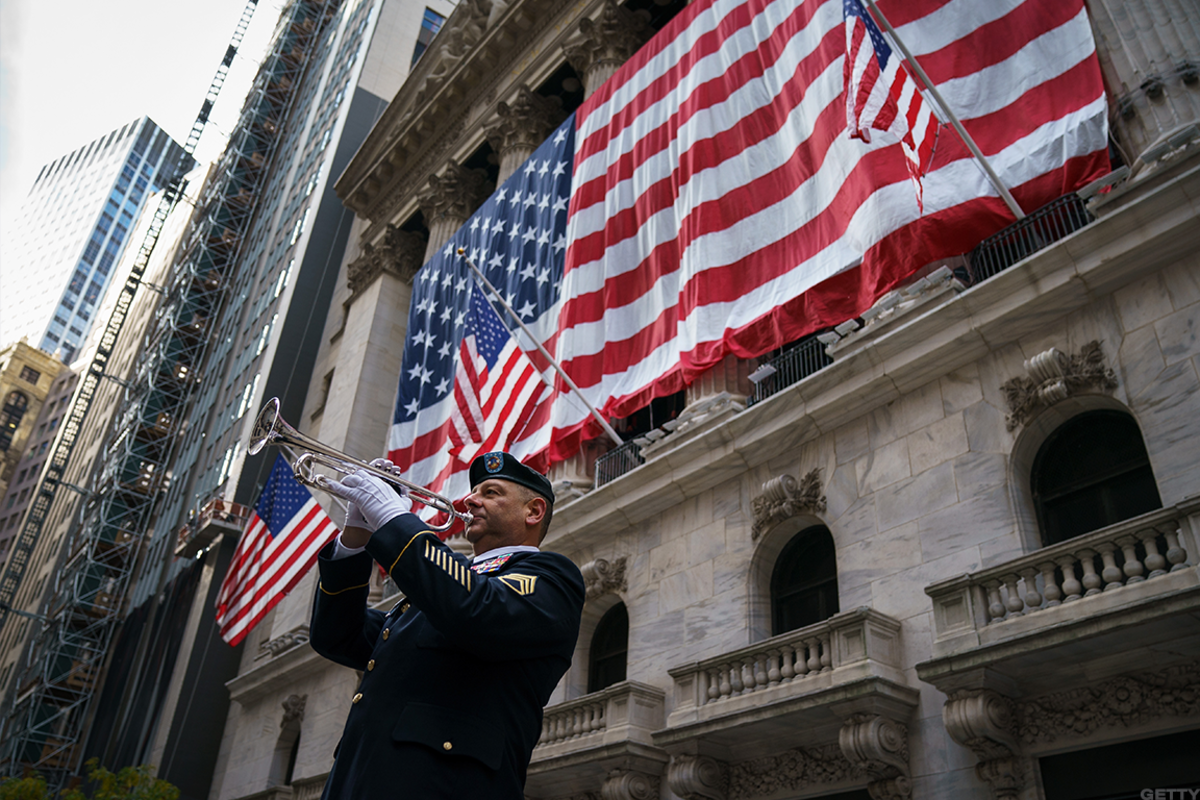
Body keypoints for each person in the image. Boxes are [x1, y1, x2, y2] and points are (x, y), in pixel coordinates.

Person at [310, 451, 585, 799]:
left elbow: (475, 611)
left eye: (491, 492)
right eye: (474, 492)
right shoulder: (441, 590)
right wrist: (355, 539)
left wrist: (395, 519)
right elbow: (337, 636)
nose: (470, 500)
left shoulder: (551, 577)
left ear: (533, 511)